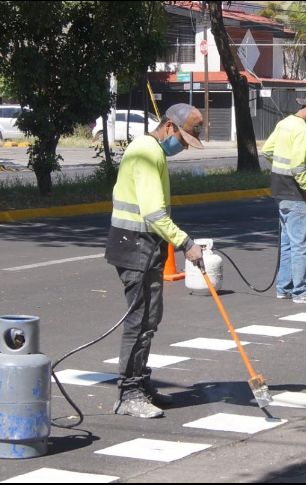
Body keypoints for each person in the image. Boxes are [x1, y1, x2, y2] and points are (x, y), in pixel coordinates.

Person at [104, 103, 205, 418]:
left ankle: (140, 384)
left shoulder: (152, 151)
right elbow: (153, 212)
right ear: (170, 127)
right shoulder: (148, 153)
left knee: (150, 319)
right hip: (135, 246)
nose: (183, 148)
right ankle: (128, 393)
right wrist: (184, 242)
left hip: (144, 245)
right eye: (184, 140)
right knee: (139, 320)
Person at [261, 94, 306, 304]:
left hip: (279, 190)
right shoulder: (302, 129)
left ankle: (285, 287)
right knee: (300, 244)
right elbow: (298, 166)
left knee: (288, 243)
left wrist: (282, 168)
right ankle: (302, 291)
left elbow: (267, 151)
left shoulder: (284, 123)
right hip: (295, 192)